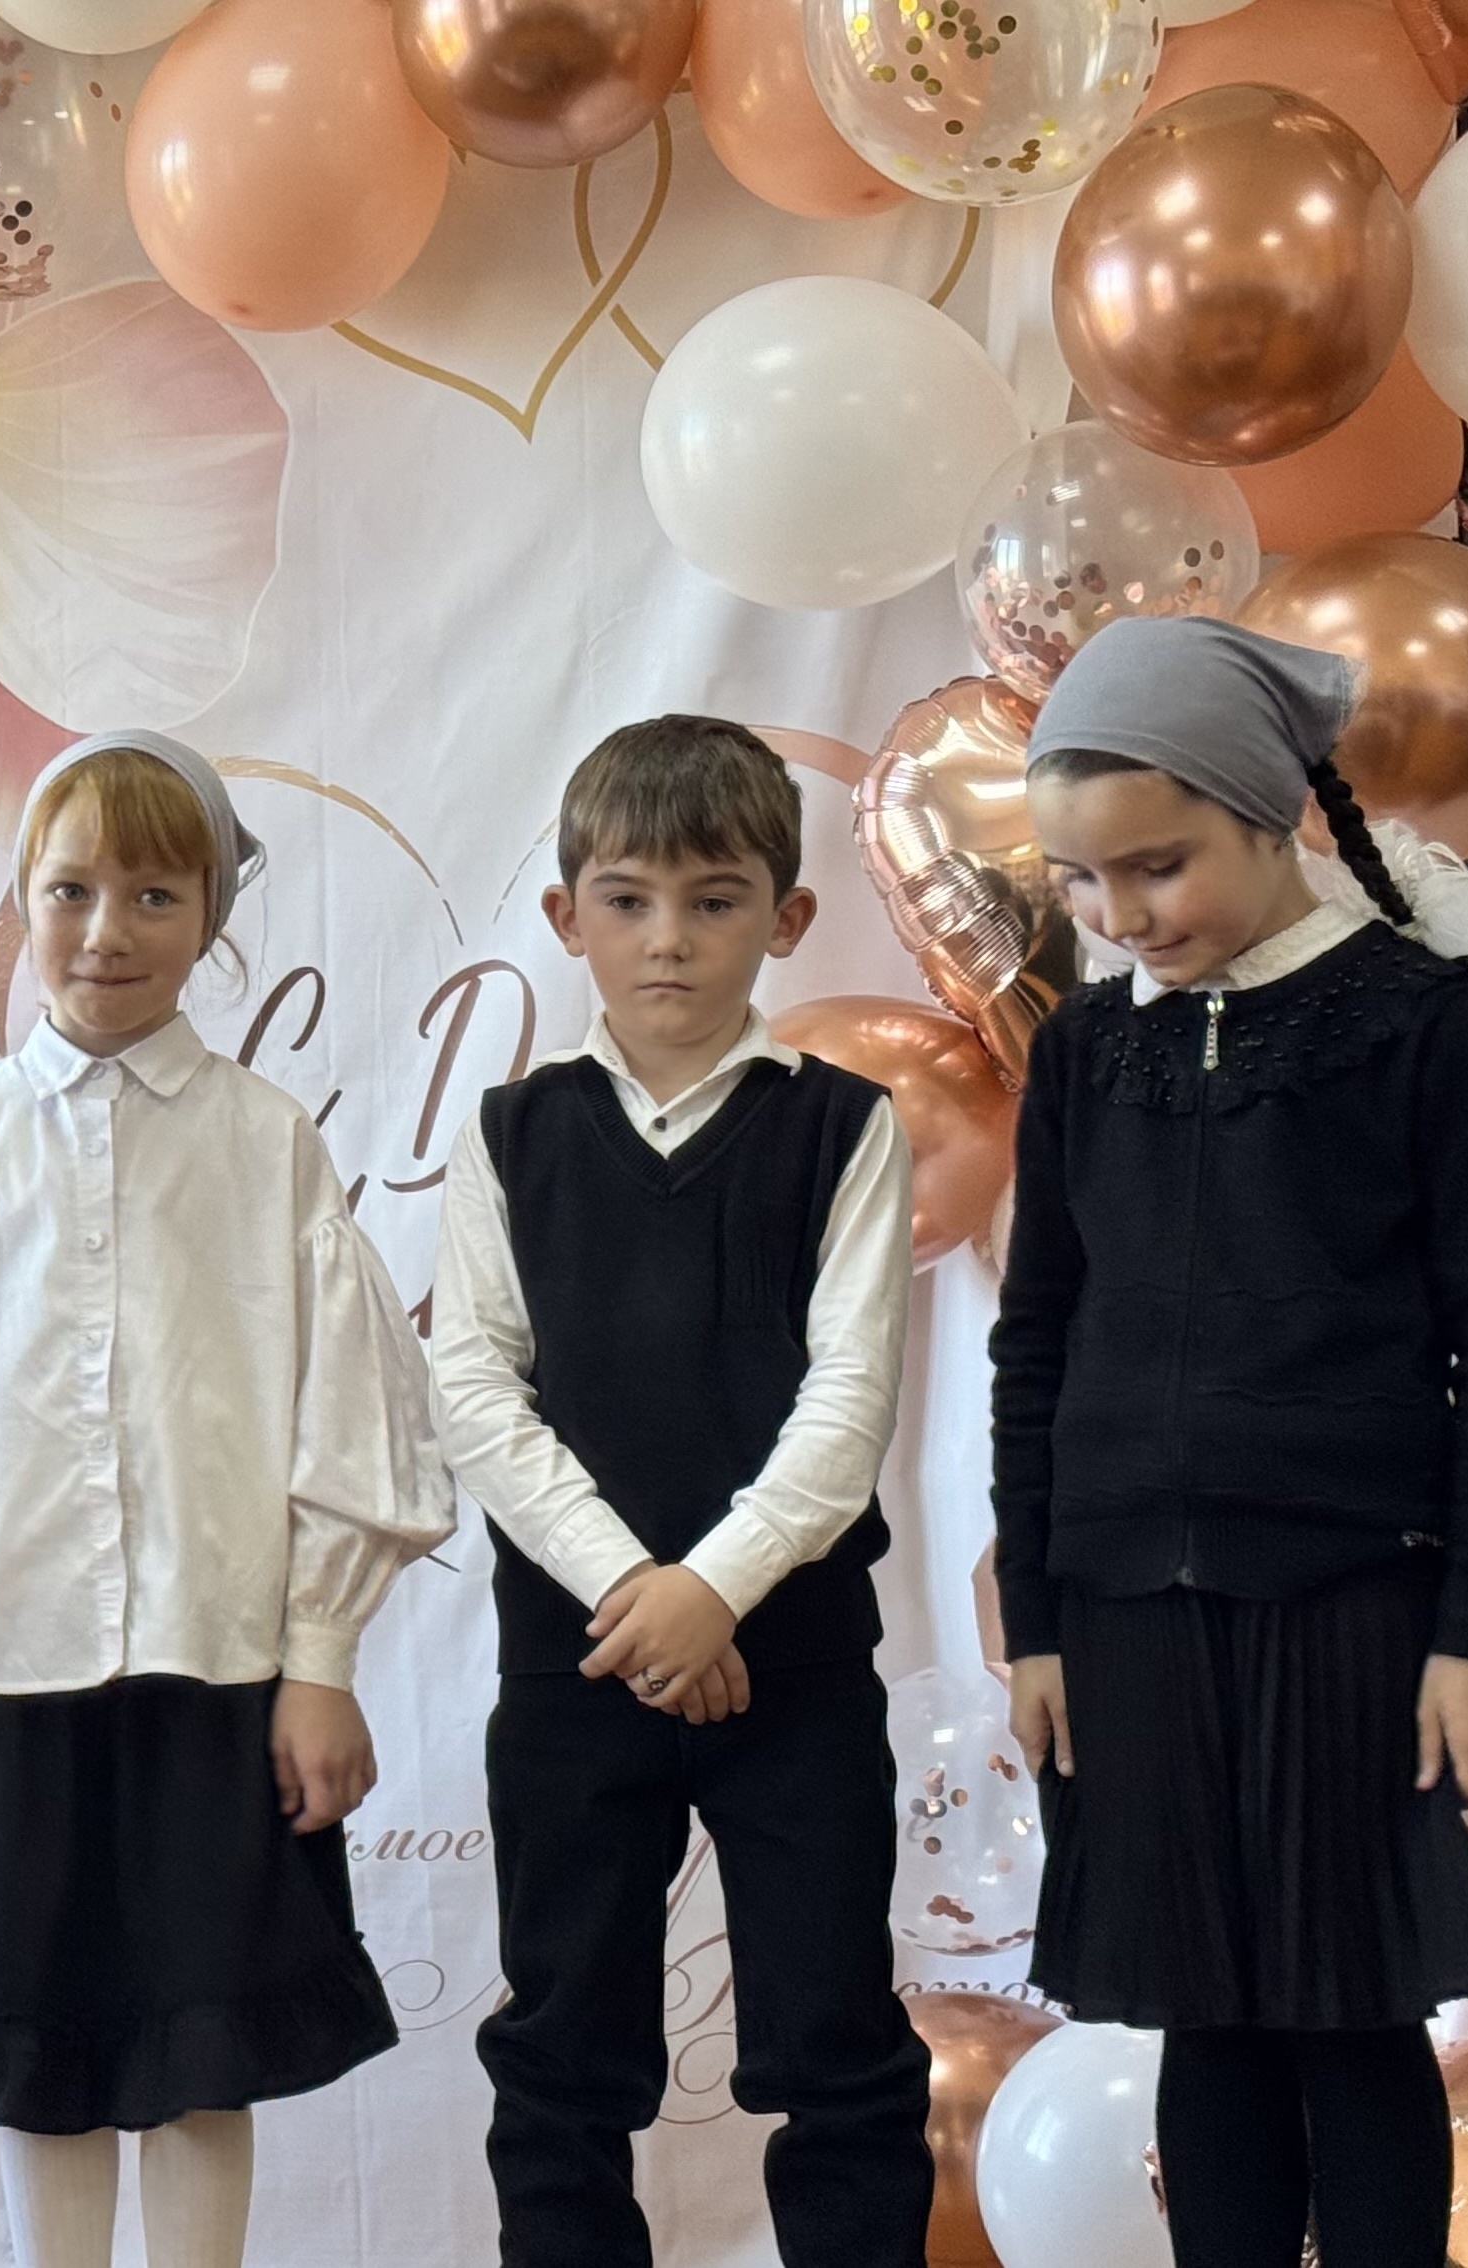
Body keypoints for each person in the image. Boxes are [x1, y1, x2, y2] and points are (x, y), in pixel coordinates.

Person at [0, 731, 449, 2268]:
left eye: (155, 895)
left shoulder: (264, 1143)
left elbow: (346, 1410)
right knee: (39, 2045)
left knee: (203, 2049)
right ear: (22, 899)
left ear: (211, 915)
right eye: (72, 889)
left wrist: (320, 1659)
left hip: (215, 1673)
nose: (108, 931)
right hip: (3, 1673)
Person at [994, 617, 1468, 2268]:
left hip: (1351, 1604)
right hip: (1126, 1613)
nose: (1120, 916)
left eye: (1158, 866)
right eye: (1082, 882)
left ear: (1270, 814)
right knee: (1209, 2023)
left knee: (1351, 2015)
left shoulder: (1425, 1028)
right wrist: (1036, 1620)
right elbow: (1036, 1344)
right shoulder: (1087, 1049)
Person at [432, 716, 932, 2266]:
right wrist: (637, 1595)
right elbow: (476, 1391)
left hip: (794, 1662)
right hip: (577, 1663)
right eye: (629, 898)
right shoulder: (514, 1134)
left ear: (785, 918)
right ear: (566, 915)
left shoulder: (843, 1128)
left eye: (715, 901)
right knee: (562, 2047)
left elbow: (848, 1398)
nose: (669, 938)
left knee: (836, 2044)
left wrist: (716, 1586)